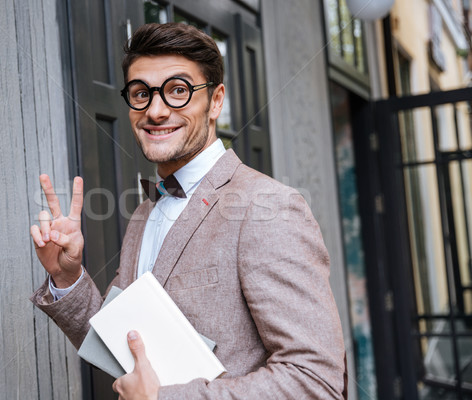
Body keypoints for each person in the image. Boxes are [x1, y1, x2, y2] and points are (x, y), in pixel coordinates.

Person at [30, 22, 347, 399]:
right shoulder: (144, 215)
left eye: (178, 91)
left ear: (215, 101)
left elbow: (317, 381)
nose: (157, 110)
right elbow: (120, 344)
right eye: (140, 93)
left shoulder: (270, 208)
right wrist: (67, 277)